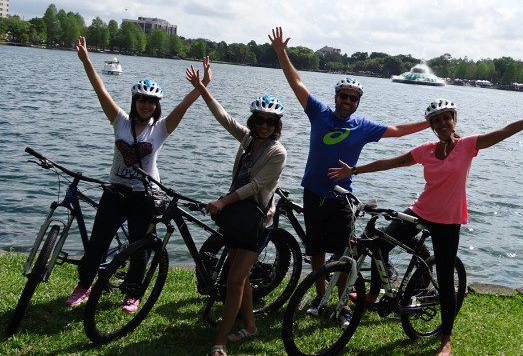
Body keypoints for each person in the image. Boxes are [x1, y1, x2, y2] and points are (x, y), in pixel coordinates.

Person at [329, 95, 523, 356]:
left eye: (447, 117)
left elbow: (504, 131)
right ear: (432, 125)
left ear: (454, 120)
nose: (443, 123)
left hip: (448, 220)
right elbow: (394, 161)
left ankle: (446, 339)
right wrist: (354, 170)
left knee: (445, 278)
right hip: (420, 211)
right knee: (380, 244)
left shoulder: (467, 146)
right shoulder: (427, 149)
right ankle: (373, 295)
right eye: (437, 120)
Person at [269, 26, 430, 328]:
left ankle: (343, 305)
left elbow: (395, 131)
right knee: (316, 252)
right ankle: (319, 299)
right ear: (336, 97)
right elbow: (297, 83)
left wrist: (429, 123)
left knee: (344, 259)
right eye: (343, 96)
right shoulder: (319, 113)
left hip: (341, 199)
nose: (347, 101)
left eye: (353, 98)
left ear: (358, 102)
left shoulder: (363, 126)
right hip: (313, 194)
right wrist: (281, 53)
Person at [65, 36, 208, 312]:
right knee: (97, 243)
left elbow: (184, 107)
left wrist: (201, 87)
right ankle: (84, 285)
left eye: (152, 101)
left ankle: (133, 292)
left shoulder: (160, 129)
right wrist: (86, 60)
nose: (146, 105)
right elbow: (100, 89)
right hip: (115, 191)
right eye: (142, 100)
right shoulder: (120, 120)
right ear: (135, 101)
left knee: (138, 246)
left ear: (157, 105)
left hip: (145, 196)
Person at [186, 61, 287, 356]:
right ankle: (251, 326)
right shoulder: (247, 139)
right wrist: (202, 88)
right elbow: (224, 118)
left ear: (277, 125)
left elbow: (254, 188)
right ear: (254, 122)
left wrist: (221, 202)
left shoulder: (277, 152)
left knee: (233, 278)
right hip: (236, 217)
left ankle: (219, 341)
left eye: (270, 121)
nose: (264, 126)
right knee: (238, 279)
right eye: (260, 120)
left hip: (256, 221)